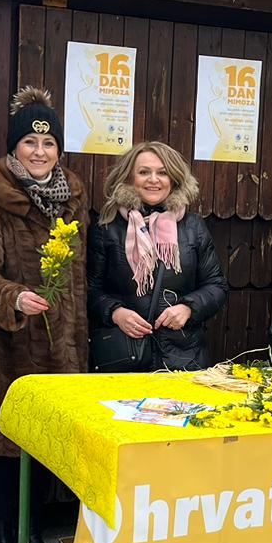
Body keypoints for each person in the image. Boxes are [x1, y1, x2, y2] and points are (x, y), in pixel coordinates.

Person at [0, 86, 89, 543]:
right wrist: (12, 297)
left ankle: (32, 536)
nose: (39, 152)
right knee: (5, 448)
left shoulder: (73, 199)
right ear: (14, 147)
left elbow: (79, 277)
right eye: (29, 143)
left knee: (43, 447)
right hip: (6, 347)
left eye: (48, 143)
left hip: (61, 346)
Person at [88, 140, 227, 371]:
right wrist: (116, 313)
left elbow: (216, 286)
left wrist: (188, 308)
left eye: (162, 173)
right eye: (144, 172)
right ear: (129, 177)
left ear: (173, 179)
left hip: (183, 357)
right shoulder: (107, 227)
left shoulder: (193, 226)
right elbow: (91, 290)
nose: (154, 179)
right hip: (125, 357)